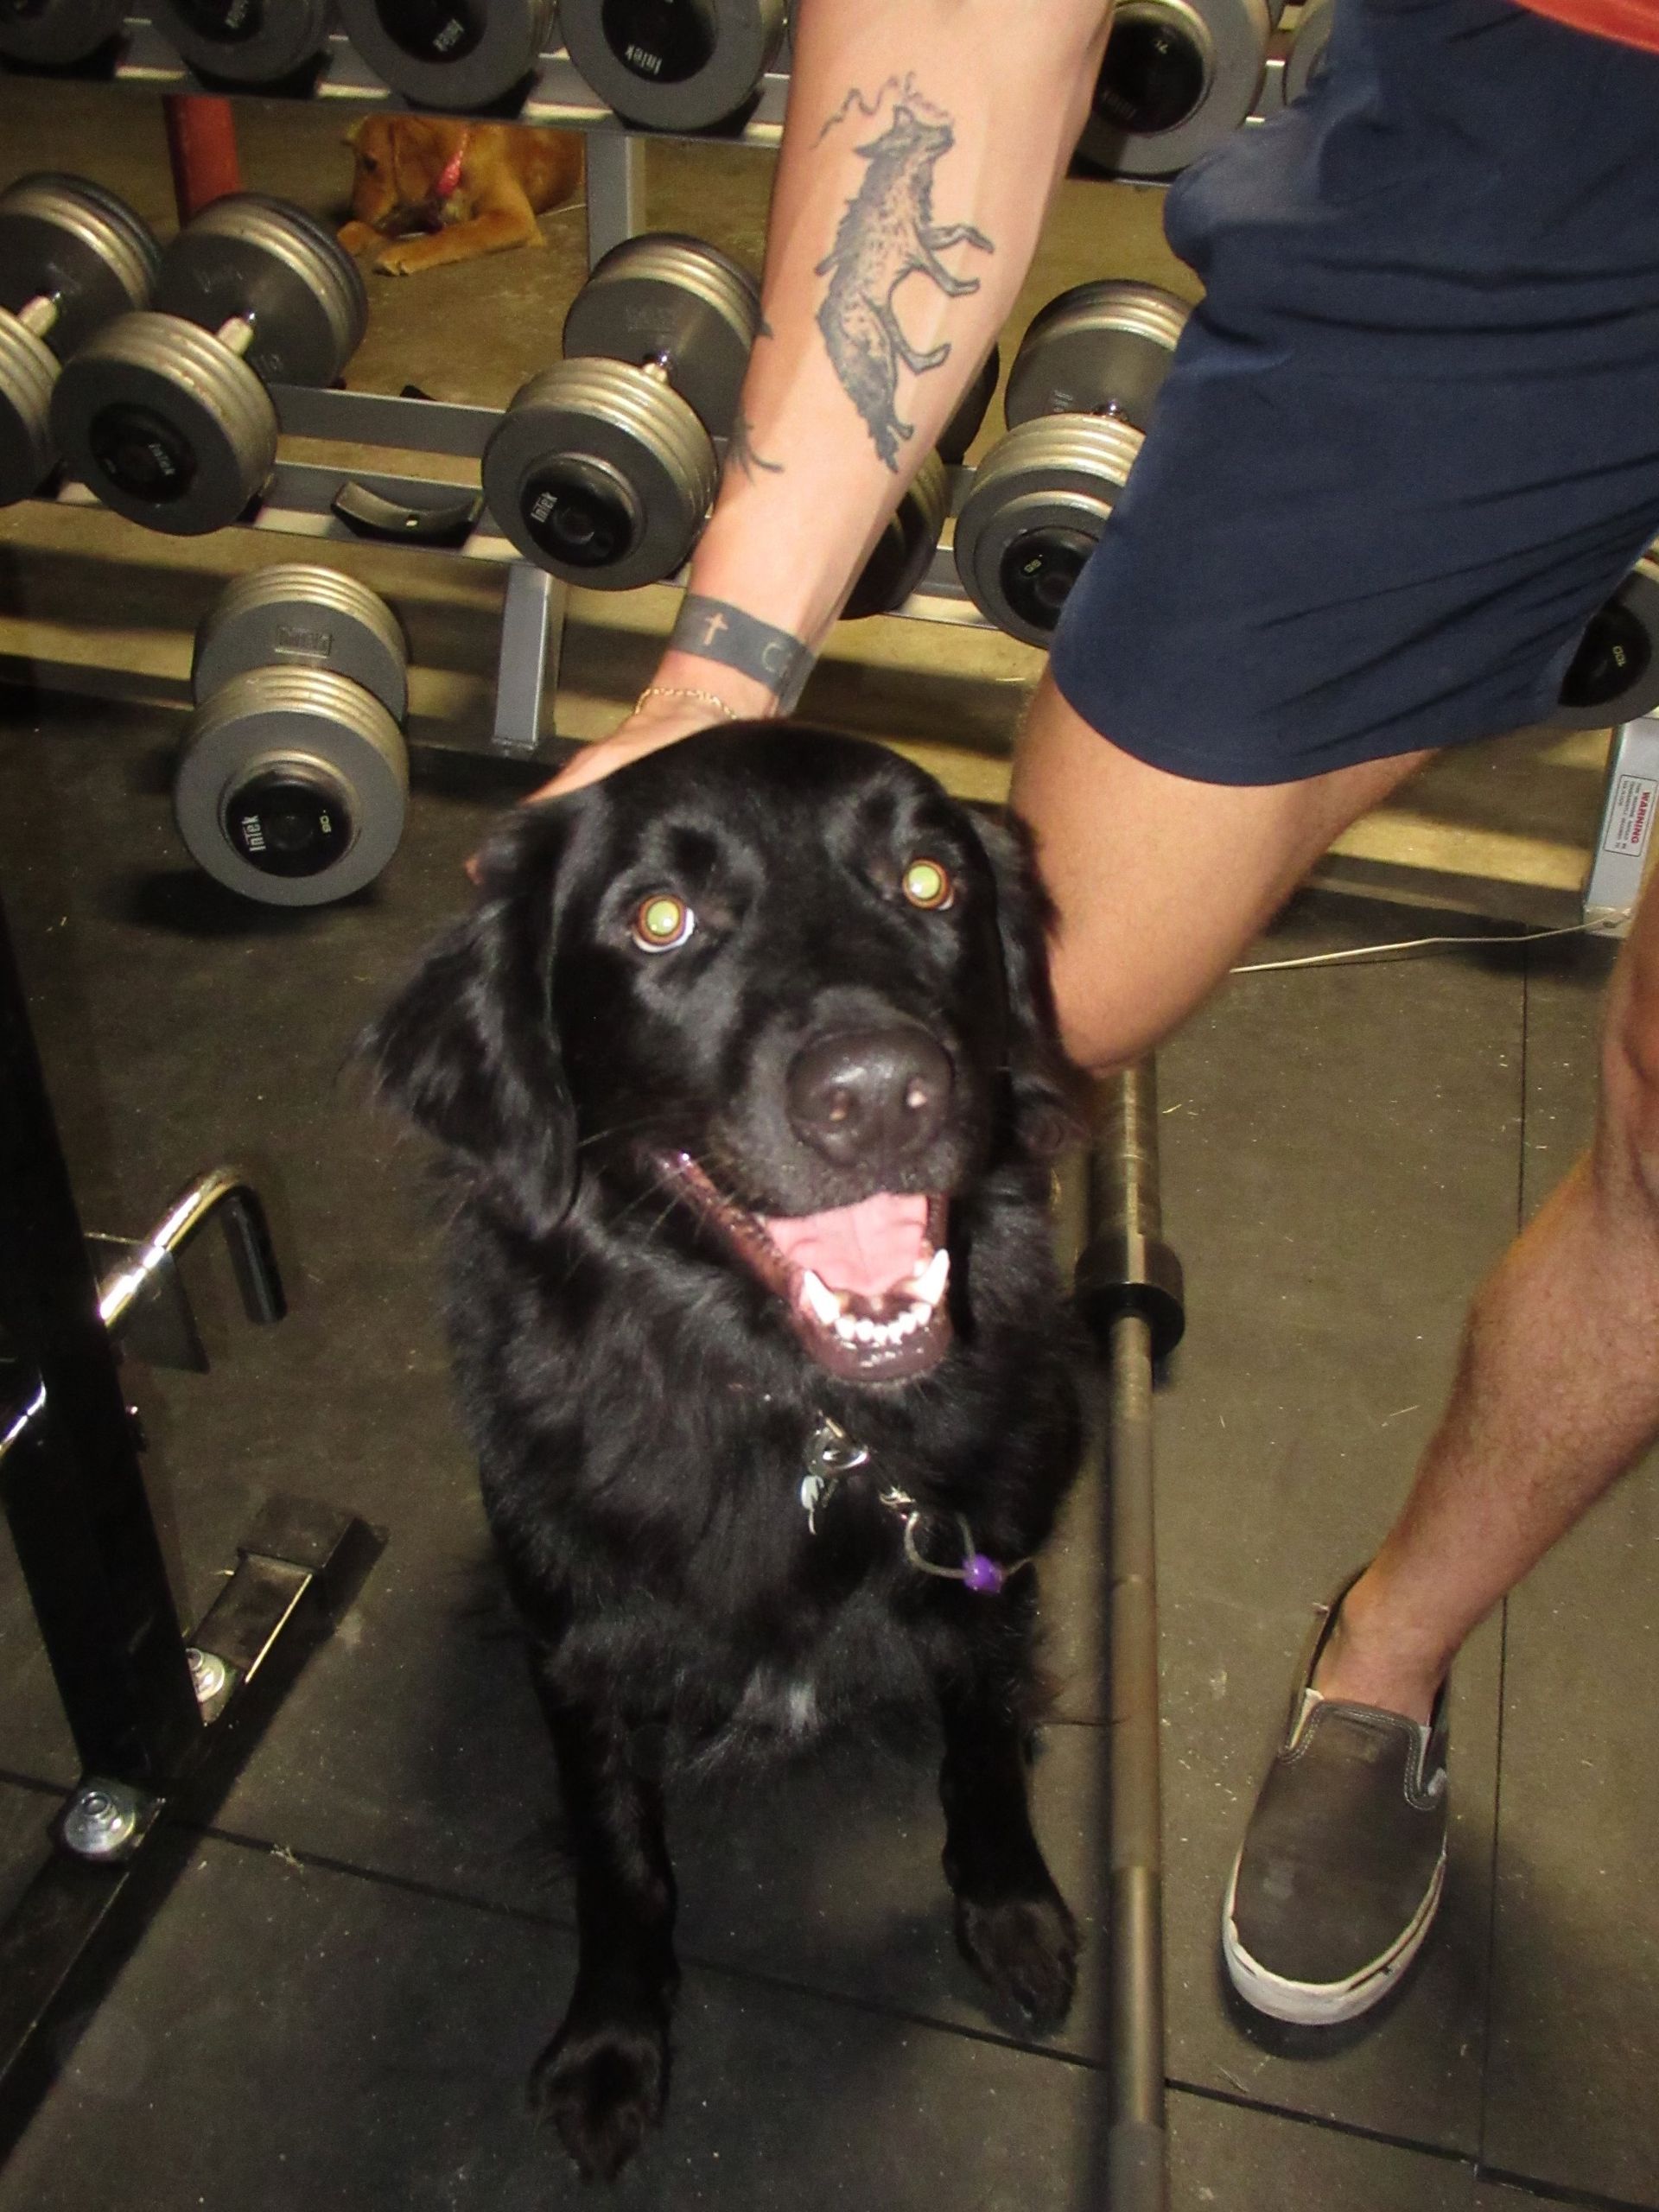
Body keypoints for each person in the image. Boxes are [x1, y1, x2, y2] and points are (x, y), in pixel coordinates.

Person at [536, 0, 1659, 2026]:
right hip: (1559, 119)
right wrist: (725, 661)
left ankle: (1384, 1651)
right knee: (1047, 1013)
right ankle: (767, 1489)